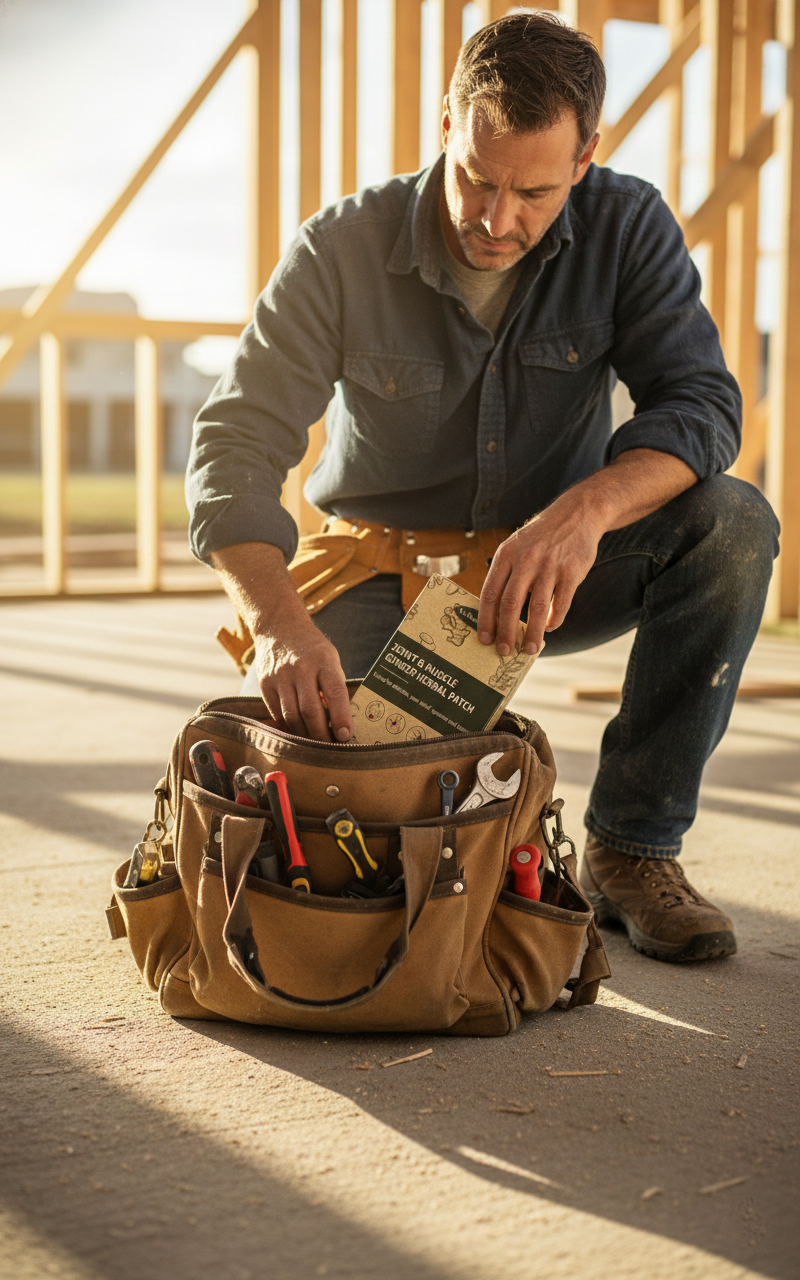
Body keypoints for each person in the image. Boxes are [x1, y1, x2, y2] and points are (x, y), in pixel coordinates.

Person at [186, 12, 779, 963]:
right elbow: (235, 441)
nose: (495, 219)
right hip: (384, 581)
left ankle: (631, 851)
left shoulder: (629, 228)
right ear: (447, 125)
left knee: (734, 524)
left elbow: (701, 404)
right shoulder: (340, 245)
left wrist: (582, 514)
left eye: (533, 192)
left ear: (587, 156)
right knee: (350, 838)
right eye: (476, 177)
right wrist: (276, 624)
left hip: (551, 573)